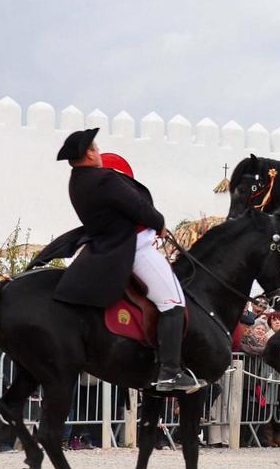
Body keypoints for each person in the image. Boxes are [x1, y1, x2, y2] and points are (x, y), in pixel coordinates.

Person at [48, 128, 200, 392]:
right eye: (95, 148)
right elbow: (138, 207)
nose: (99, 152)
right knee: (173, 302)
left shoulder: (76, 183)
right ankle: (170, 372)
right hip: (135, 247)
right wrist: (160, 223)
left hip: (103, 247)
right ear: (89, 154)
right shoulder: (104, 178)